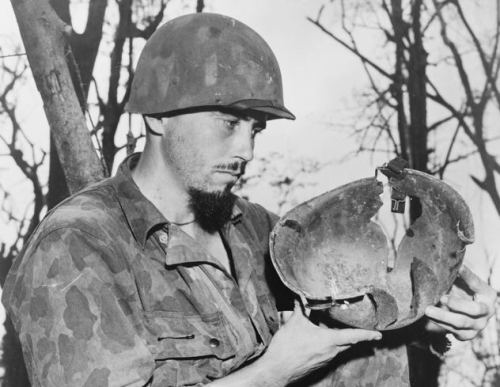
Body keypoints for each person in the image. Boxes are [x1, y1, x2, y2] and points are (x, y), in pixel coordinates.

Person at [3, 12, 495, 387]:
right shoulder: (77, 247)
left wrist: (426, 318)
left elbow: (346, 339)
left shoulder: (255, 231)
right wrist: (271, 373)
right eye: (228, 124)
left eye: (255, 129)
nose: (246, 150)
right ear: (156, 116)